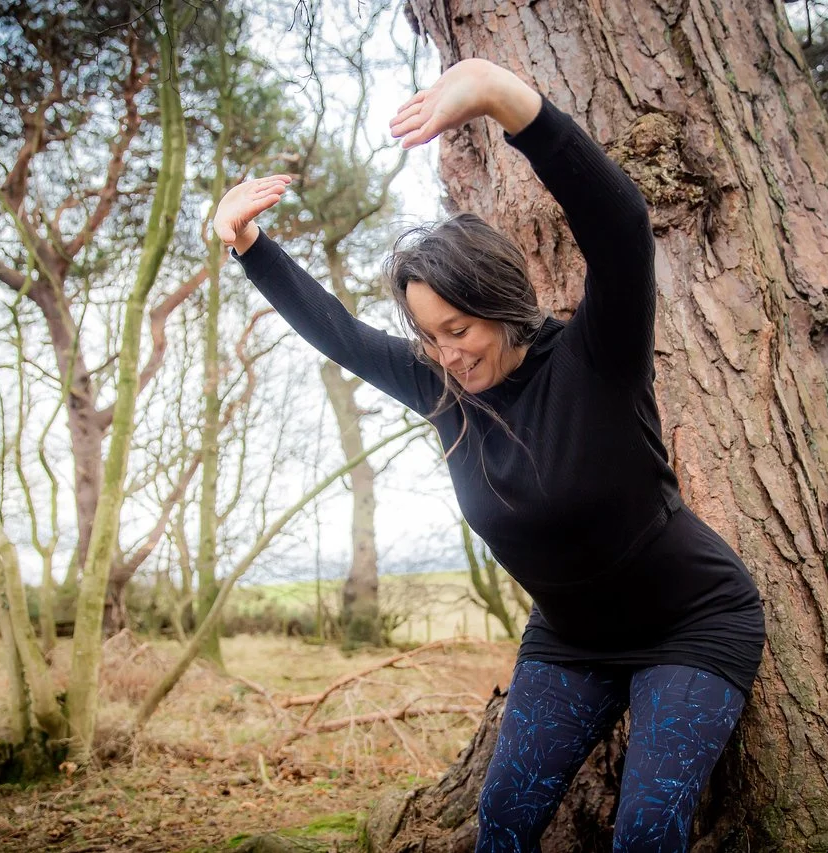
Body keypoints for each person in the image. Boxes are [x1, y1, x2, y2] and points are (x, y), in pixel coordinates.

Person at [215, 58, 765, 853]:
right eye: (428, 335)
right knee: (501, 820)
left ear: (499, 306)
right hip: (571, 641)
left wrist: (507, 100)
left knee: (646, 833)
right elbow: (339, 333)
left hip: (694, 621)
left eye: (460, 329)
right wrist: (249, 246)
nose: (447, 354)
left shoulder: (597, 357)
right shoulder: (440, 388)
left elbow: (621, 227)